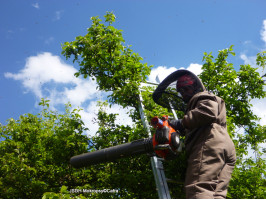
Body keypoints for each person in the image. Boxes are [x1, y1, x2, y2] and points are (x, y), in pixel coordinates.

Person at [159, 72, 236, 199]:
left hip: (209, 144)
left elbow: (208, 112)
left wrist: (181, 122)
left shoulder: (201, 96)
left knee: (198, 188)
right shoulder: (205, 102)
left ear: (195, 86)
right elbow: (203, 121)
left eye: (186, 88)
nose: (183, 93)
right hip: (224, 147)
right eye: (180, 91)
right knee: (217, 194)